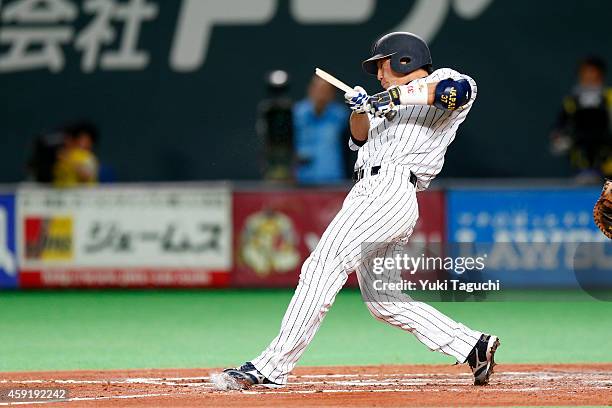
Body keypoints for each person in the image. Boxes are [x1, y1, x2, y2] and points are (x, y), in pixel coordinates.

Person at [222, 32, 499, 389]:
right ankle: (472, 345)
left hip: (391, 189)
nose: (379, 75)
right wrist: (361, 109)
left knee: (323, 265)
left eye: (382, 65)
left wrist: (389, 97)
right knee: (384, 301)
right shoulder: (381, 104)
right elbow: (359, 138)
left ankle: (271, 367)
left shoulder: (440, 81)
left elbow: (456, 93)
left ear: (404, 60)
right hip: (369, 191)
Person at [550, 56, 612, 181]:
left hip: (608, 162)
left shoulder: (609, 98)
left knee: (607, 196)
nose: (589, 78)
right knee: (586, 193)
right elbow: (560, 126)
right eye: (585, 74)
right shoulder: (572, 101)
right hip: (581, 163)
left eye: (593, 75)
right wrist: (559, 138)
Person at [293, 75, 349, 184]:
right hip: (302, 180)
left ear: (332, 94)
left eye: (326, 90)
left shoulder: (341, 115)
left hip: (333, 179)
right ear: (311, 89)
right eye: (318, 89)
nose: (321, 94)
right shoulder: (296, 113)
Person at [53, 122, 99, 188]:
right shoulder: (59, 158)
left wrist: (68, 160)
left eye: (86, 140)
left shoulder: (87, 157)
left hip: (85, 196)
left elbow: (85, 176)